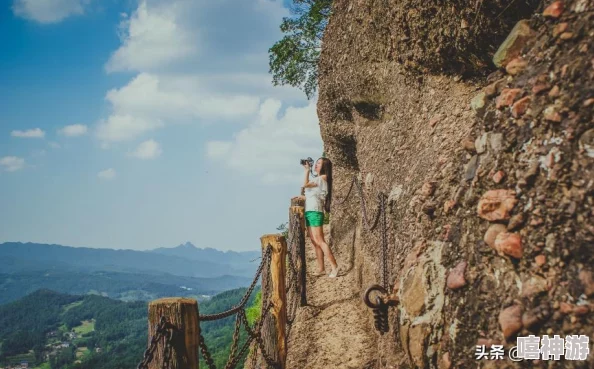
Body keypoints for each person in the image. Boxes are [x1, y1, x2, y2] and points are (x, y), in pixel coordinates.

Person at [301, 157, 339, 278]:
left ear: (324, 167)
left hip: (315, 211)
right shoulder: (317, 179)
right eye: (316, 163)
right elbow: (312, 195)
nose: (316, 165)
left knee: (320, 241)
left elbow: (305, 185)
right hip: (310, 211)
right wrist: (301, 198)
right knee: (314, 242)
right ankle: (321, 268)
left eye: (319, 163)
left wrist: (307, 170)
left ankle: (334, 266)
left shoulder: (322, 178)